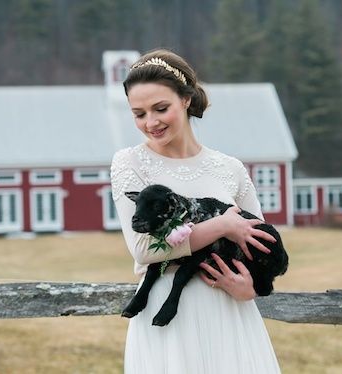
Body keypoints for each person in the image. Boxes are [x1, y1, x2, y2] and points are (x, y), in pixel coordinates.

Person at [110, 48, 282, 373]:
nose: (151, 122)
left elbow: (262, 244)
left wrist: (253, 288)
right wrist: (223, 226)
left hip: (229, 314)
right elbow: (144, 248)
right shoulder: (129, 164)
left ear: (186, 100)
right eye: (139, 113)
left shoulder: (228, 169)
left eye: (161, 108)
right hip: (167, 317)